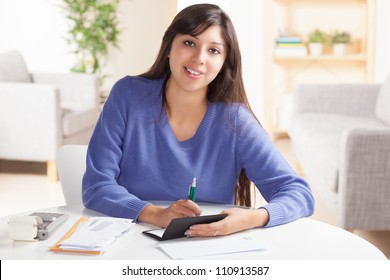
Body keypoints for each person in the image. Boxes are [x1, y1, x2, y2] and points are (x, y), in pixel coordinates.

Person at [82, 3, 314, 237]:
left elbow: (298, 193)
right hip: (128, 237)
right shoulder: (128, 94)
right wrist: (155, 214)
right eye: (189, 43)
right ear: (169, 46)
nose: (199, 58)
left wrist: (253, 217)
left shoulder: (235, 121)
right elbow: (96, 186)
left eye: (213, 50)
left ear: (224, 62)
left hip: (204, 246)